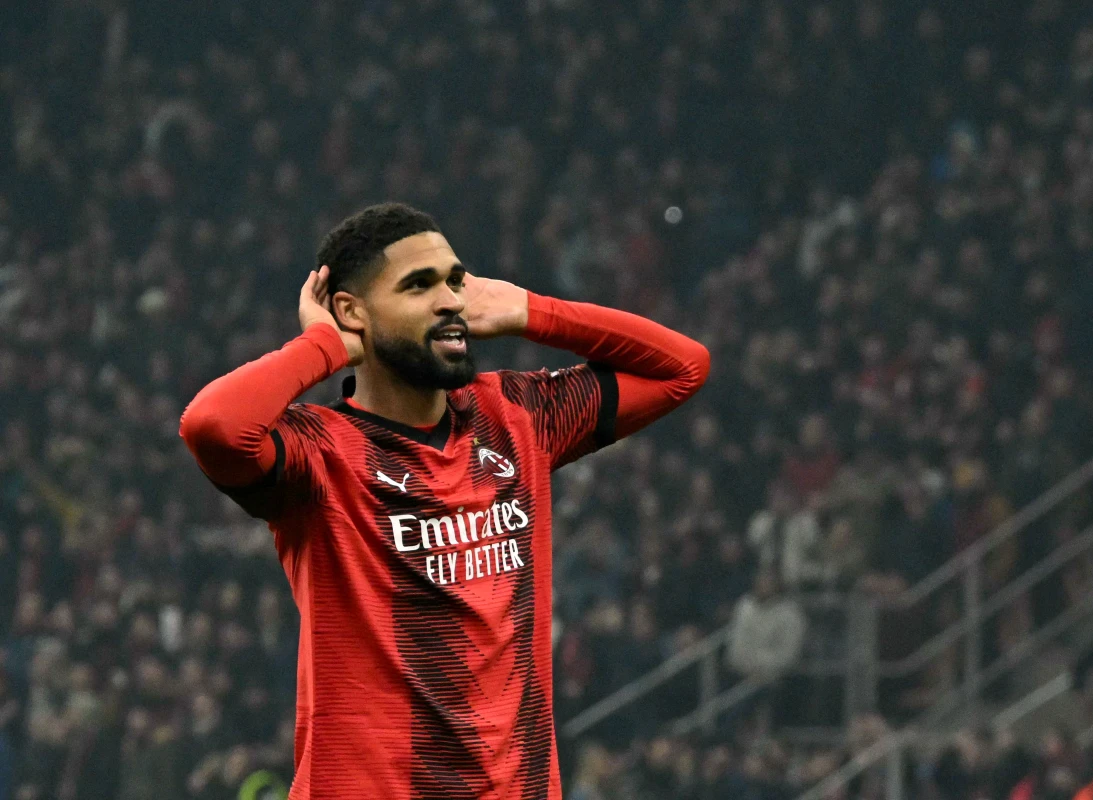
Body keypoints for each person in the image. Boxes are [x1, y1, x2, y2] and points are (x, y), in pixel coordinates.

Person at [178, 202, 710, 799]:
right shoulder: (319, 454)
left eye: (455, 280)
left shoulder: (514, 414)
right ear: (354, 313)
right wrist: (324, 348)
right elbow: (214, 425)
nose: (451, 300)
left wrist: (531, 312)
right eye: (418, 285)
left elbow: (683, 368)